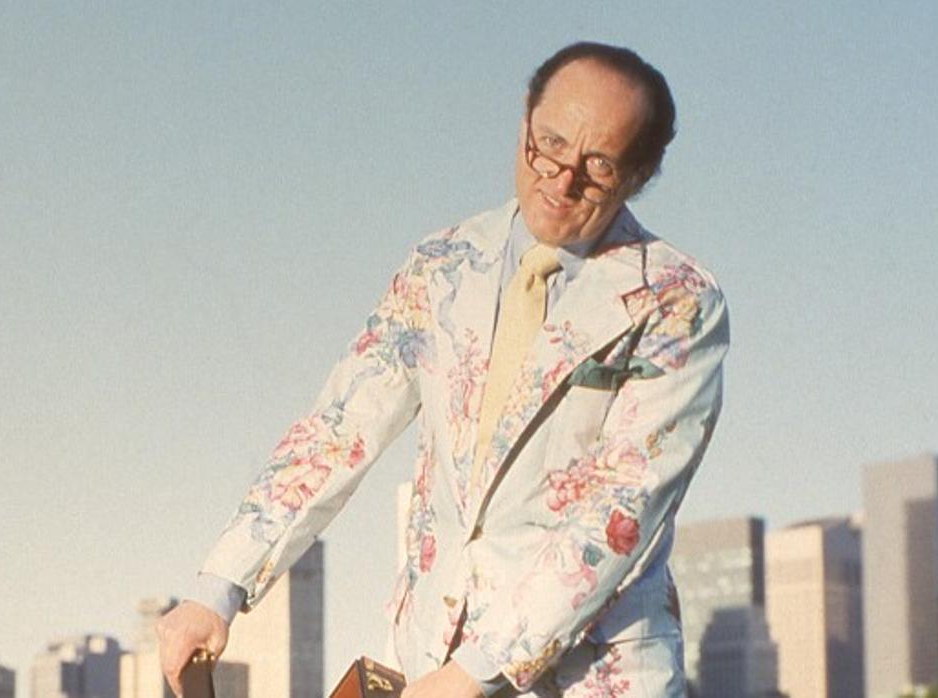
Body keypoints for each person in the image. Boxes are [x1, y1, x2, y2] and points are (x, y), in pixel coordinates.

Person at [157, 41, 729, 697]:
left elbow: (621, 510)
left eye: (597, 165)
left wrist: (475, 672)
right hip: (430, 658)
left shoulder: (678, 302)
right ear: (524, 118)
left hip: (591, 677)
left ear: (640, 173)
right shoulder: (442, 263)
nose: (562, 179)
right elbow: (338, 429)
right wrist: (219, 586)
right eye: (548, 144)